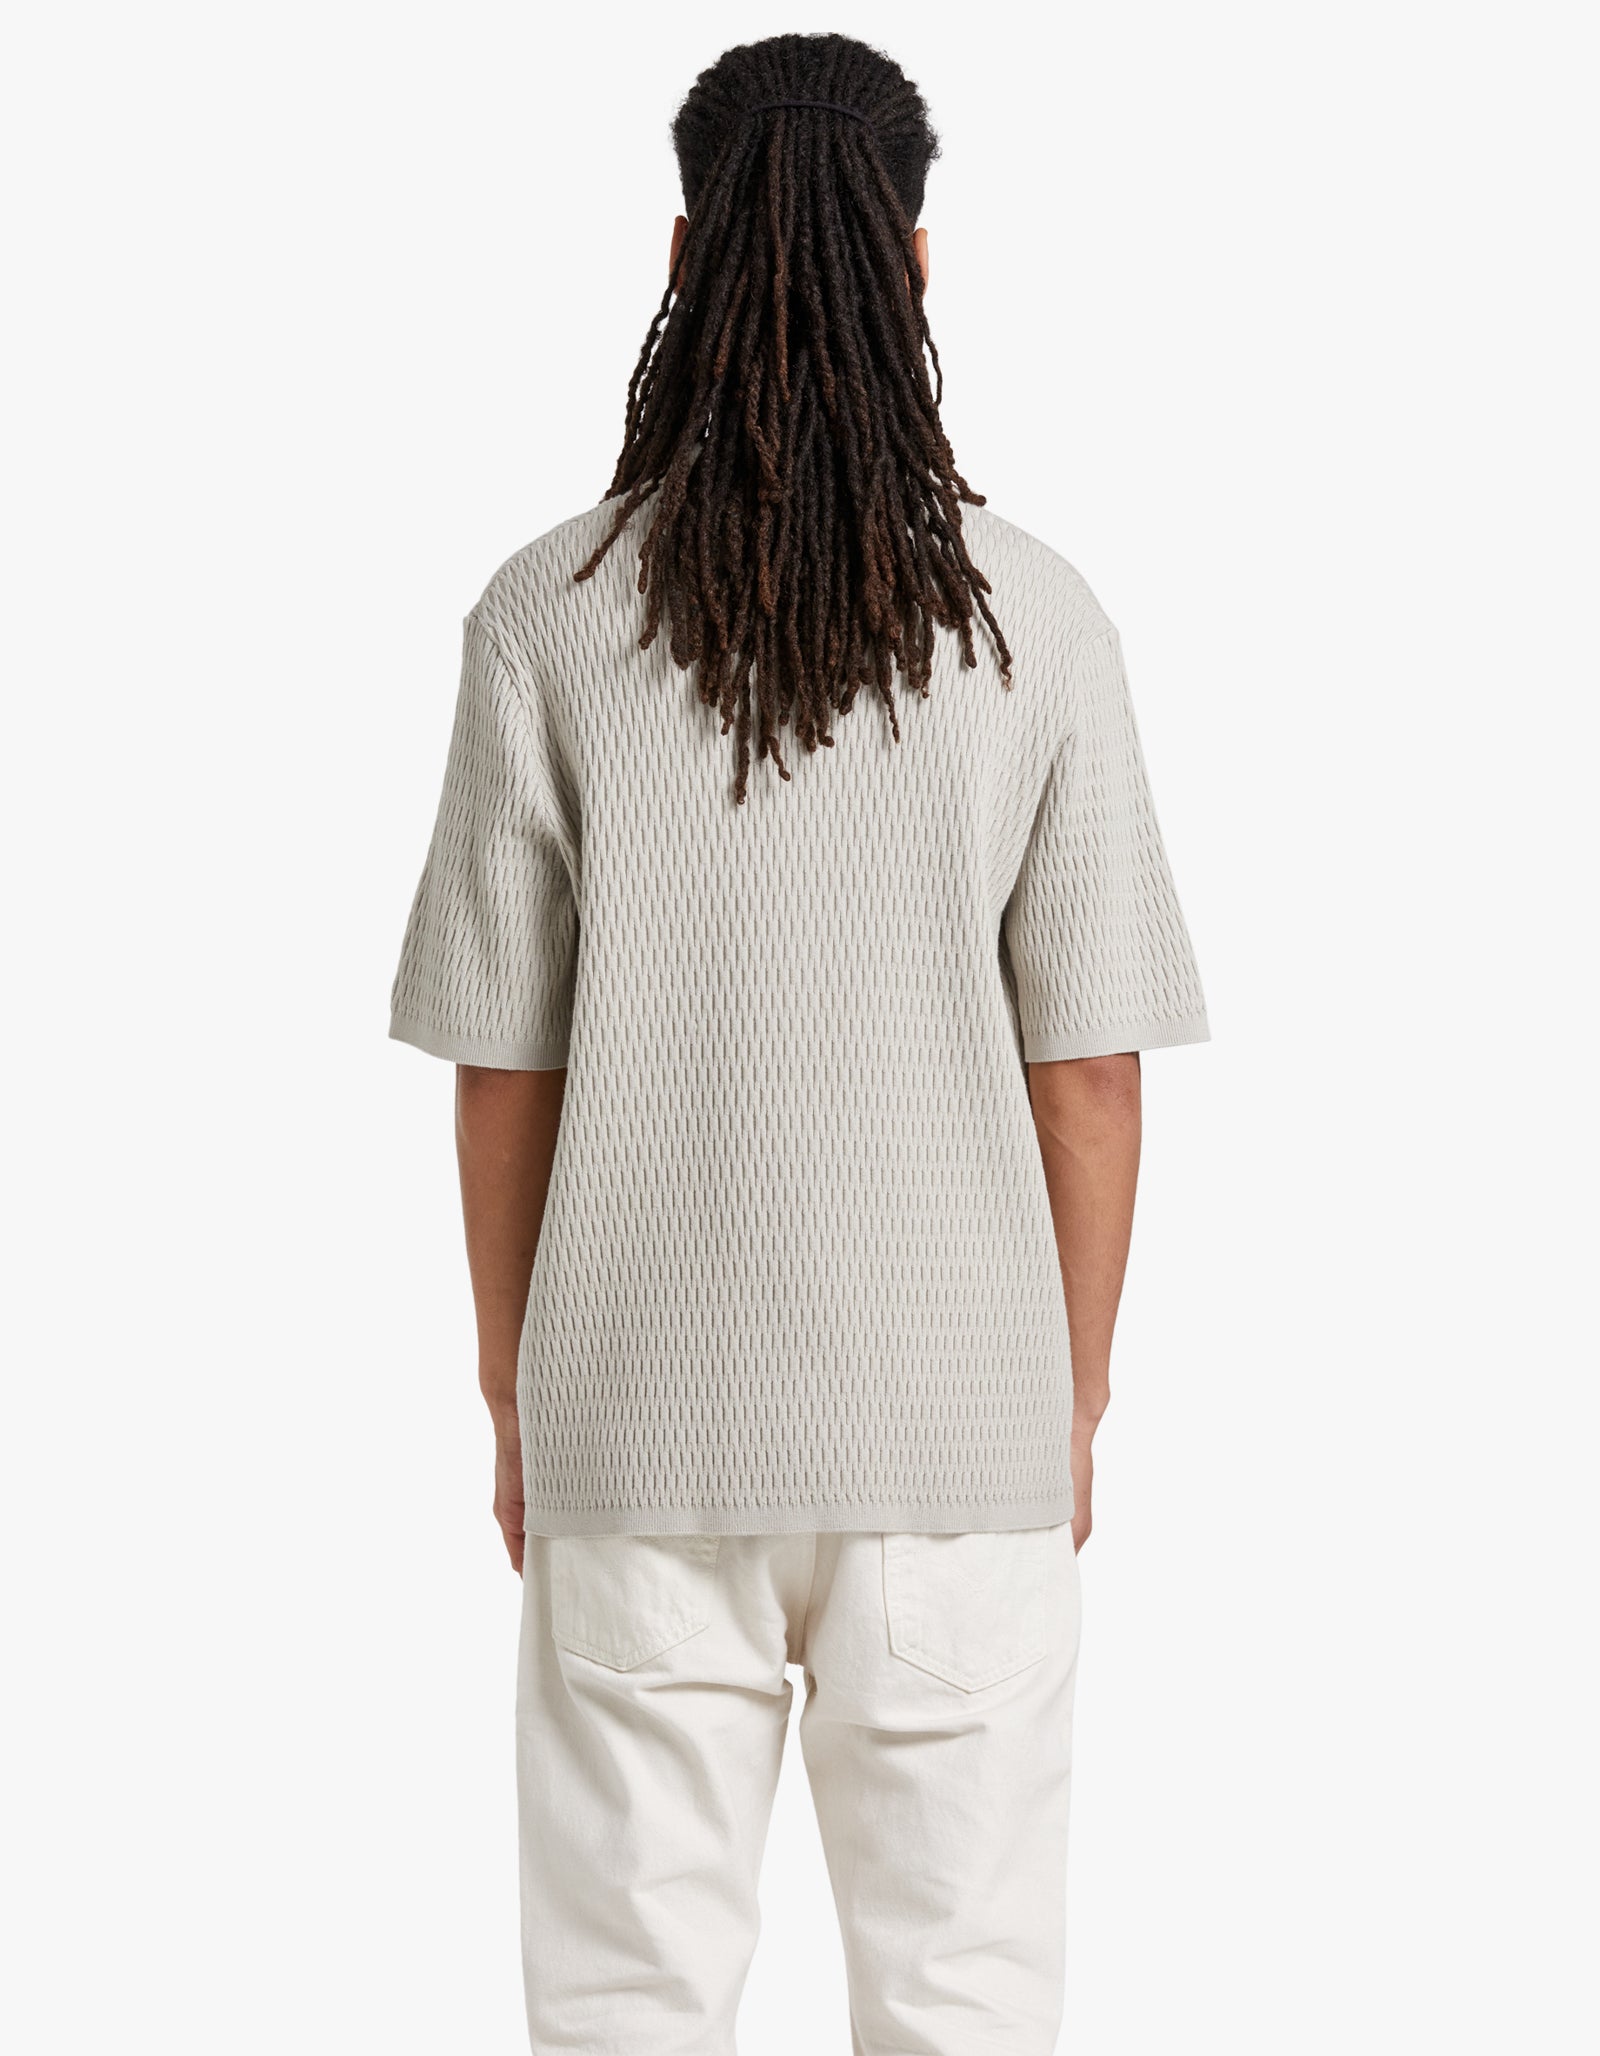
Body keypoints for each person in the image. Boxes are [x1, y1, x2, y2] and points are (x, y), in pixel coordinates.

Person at [389, 30, 1207, 2056]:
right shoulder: (1037, 621)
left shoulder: (543, 616)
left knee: (625, 2009)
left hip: (638, 1425)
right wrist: (1069, 1397)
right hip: (956, 1439)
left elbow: (506, 1065)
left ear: (681, 256)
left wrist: (514, 1393)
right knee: (964, 2010)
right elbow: (1091, 1071)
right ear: (914, 267)